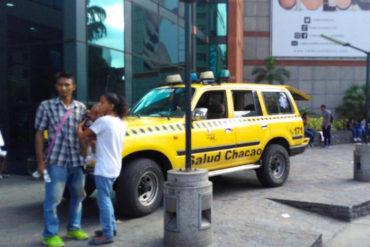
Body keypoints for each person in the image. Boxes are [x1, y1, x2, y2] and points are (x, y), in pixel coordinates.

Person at [34, 72, 88, 247]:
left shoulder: (80, 108)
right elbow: (39, 133)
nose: (63, 88)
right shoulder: (46, 106)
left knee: (78, 195)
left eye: (67, 85)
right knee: (53, 198)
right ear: (56, 87)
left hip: (77, 160)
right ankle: (50, 234)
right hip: (56, 160)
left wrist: (86, 155)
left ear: (74, 87)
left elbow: (85, 134)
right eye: (60, 85)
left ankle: (74, 228)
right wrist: (40, 162)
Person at [77, 92, 128, 245]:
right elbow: (102, 138)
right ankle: (111, 228)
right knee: (105, 198)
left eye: (102, 102)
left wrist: (79, 126)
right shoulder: (120, 121)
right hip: (114, 166)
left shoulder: (104, 121)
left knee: (103, 200)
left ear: (111, 106)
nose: (99, 106)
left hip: (104, 168)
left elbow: (82, 136)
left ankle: (107, 234)